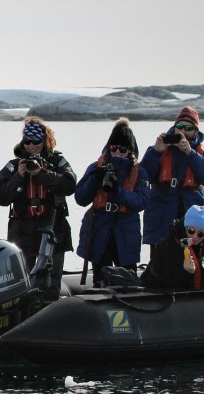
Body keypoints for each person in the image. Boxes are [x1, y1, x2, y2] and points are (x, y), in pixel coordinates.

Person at [0, 117, 76, 302]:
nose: (31, 146)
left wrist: (41, 174)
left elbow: (70, 185)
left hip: (52, 230)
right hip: (22, 233)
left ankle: (48, 315)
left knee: (50, 282)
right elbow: (0, 197)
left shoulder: (58, 162)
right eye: (27, 141)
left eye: (36, 141)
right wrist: (18, 177)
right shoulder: (14, 166)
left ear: (44, 141)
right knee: (21, 280)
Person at [74, 118, 150, 285]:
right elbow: (80, 198)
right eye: (114, 147)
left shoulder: (139, 172)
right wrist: (95, 179)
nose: (117, 152)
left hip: (126, 228)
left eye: (122, 149)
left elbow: (141, 201)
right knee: (100, 276)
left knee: (128, 277)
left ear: (130, 150)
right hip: (100, 226)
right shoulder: (96, 167)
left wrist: (117, 191)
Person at [139, 106, 204, 254]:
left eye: (188, 128)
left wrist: (190, 153)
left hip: (191, 213)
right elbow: (144, 176)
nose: (183, 131)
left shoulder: (198, 154)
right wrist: (155, 151)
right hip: (162, 212)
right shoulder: (159, 148)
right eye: (179, 126)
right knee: (160, 260)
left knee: (192, 259)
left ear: (195, 132)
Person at [141, 205, 204, 289]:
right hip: (159, 293)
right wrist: (186, 271)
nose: (195, 236)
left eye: (200, 234)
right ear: (185, 227)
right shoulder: (169, 246)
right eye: (191, 231)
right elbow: (168, 283)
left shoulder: (198, 245)